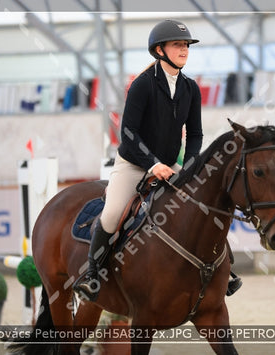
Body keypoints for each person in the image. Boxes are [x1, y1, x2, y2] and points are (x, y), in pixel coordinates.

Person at [73, 19, 203, 301]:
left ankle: (220, 271)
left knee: (202, 205)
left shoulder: (190, 89)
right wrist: (153, 164)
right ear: (159, 50)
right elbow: (128, 133)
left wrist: (191, 166)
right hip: (134, 164)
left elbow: (195, 134)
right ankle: (93, 275)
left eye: (186, 45)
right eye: (178, 45)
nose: (184, 50)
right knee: (111, 214)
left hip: (170, 166)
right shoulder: (142, 85)